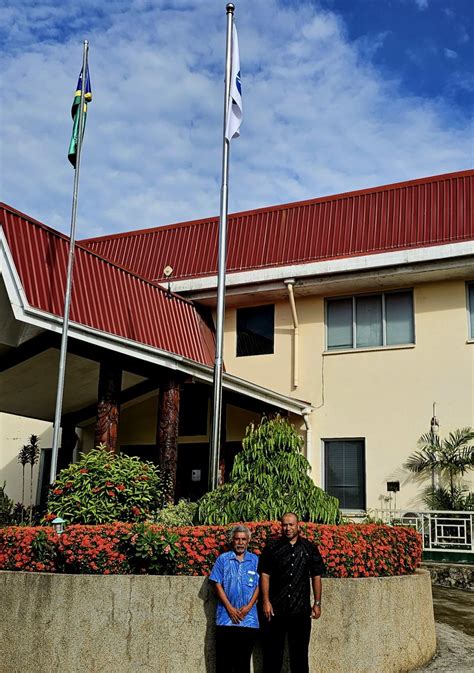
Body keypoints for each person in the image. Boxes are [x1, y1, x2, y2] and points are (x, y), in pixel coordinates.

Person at [258, 512, 325, 673]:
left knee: (300, 657)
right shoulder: (272, 547)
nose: (287, 528)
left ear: (297, 526)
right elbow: (265, 575)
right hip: (275, 611)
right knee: (272, 656)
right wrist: (266, 601)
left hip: (300, 611)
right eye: (284, 525)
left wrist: (317, 603)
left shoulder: (309, 548)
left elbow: (316, 575)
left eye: (291, 525)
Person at [209, 524, 260, 673]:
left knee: (242, 664)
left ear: (248, 541)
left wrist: (249, 607)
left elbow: (259, 586)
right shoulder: (223, 560)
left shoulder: (255, 560)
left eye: (244, 539)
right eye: (237, 539)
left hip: (248, 621)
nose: (240, 542)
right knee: (223, 664)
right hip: (225, 619)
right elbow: (217, 584)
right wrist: (230, 608)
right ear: (232, 540)